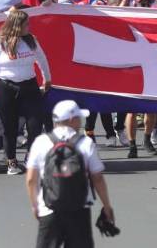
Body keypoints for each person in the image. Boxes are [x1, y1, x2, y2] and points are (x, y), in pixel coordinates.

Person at [25, 100, 114, 248]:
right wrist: (106, 206)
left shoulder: (41, 142)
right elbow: (97, 178)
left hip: (48, 208)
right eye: (79, 118)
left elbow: (30, 180)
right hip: (79, 209)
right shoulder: (85, 143)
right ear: (72, 120)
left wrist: (35, 206)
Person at [0, 8, 52, 175]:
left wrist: (47, 79)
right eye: (26, 24)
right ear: (16, 25)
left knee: (35, 123)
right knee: (10, 126)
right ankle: (11, 162)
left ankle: (30, 156)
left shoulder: (31, 40)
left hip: (29, 86)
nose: (29, 27)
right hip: (4, 88)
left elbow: (42, 59)